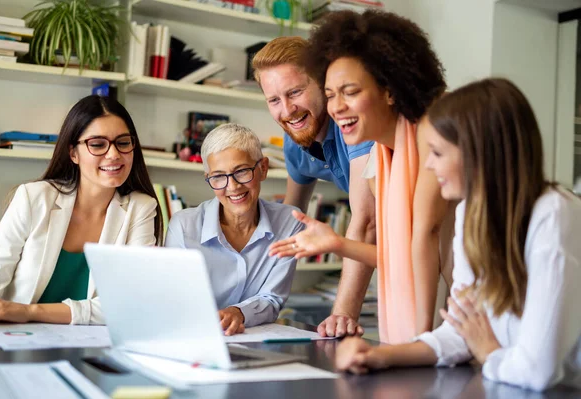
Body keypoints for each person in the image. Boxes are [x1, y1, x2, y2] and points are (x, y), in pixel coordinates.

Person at [335, 78, 581, 391]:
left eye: (437, 152)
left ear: (477, 153)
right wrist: (381, 355)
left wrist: (489, 351)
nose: (428, 164)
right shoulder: (471, 213)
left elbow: (536, 371)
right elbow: (460, 331)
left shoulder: (554, 216)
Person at [270, 10, 451, 343]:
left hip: (467, 301)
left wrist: (419, 343)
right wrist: (338, 244)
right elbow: (399, 257)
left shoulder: (430, 141)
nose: (337, 107)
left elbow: (427, 241)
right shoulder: (377, 162)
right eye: (330, 94)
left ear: (389, 90)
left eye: (349, 92)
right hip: (440, 310)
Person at [0, 95, 163, 325]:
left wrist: (30, 312)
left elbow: (126, 303)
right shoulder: (34, 197)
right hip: (18, 341)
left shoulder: (141, 208)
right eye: (97, 144)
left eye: (123, 142)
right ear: (73, 153)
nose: (114, 154)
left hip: (90, 348)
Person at [252, 36, 376, 338]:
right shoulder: (297, 143)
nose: (287, 110)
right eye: (274, 100)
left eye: (295, 92)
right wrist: (253, 303)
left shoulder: (352, 123)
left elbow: (367, 221)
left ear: (323, 83)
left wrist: (343, 314)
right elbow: (290, 222)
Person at [165, 123, 303, 336]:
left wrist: (239, 313)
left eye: (242, 171)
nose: (233, 186)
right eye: (219, 176)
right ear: (208, 179)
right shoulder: (183, 227)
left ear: (263, 168)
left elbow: (272, 299)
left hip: (256, 342)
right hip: (196, 338)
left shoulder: (289, 223)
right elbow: (176, 300)